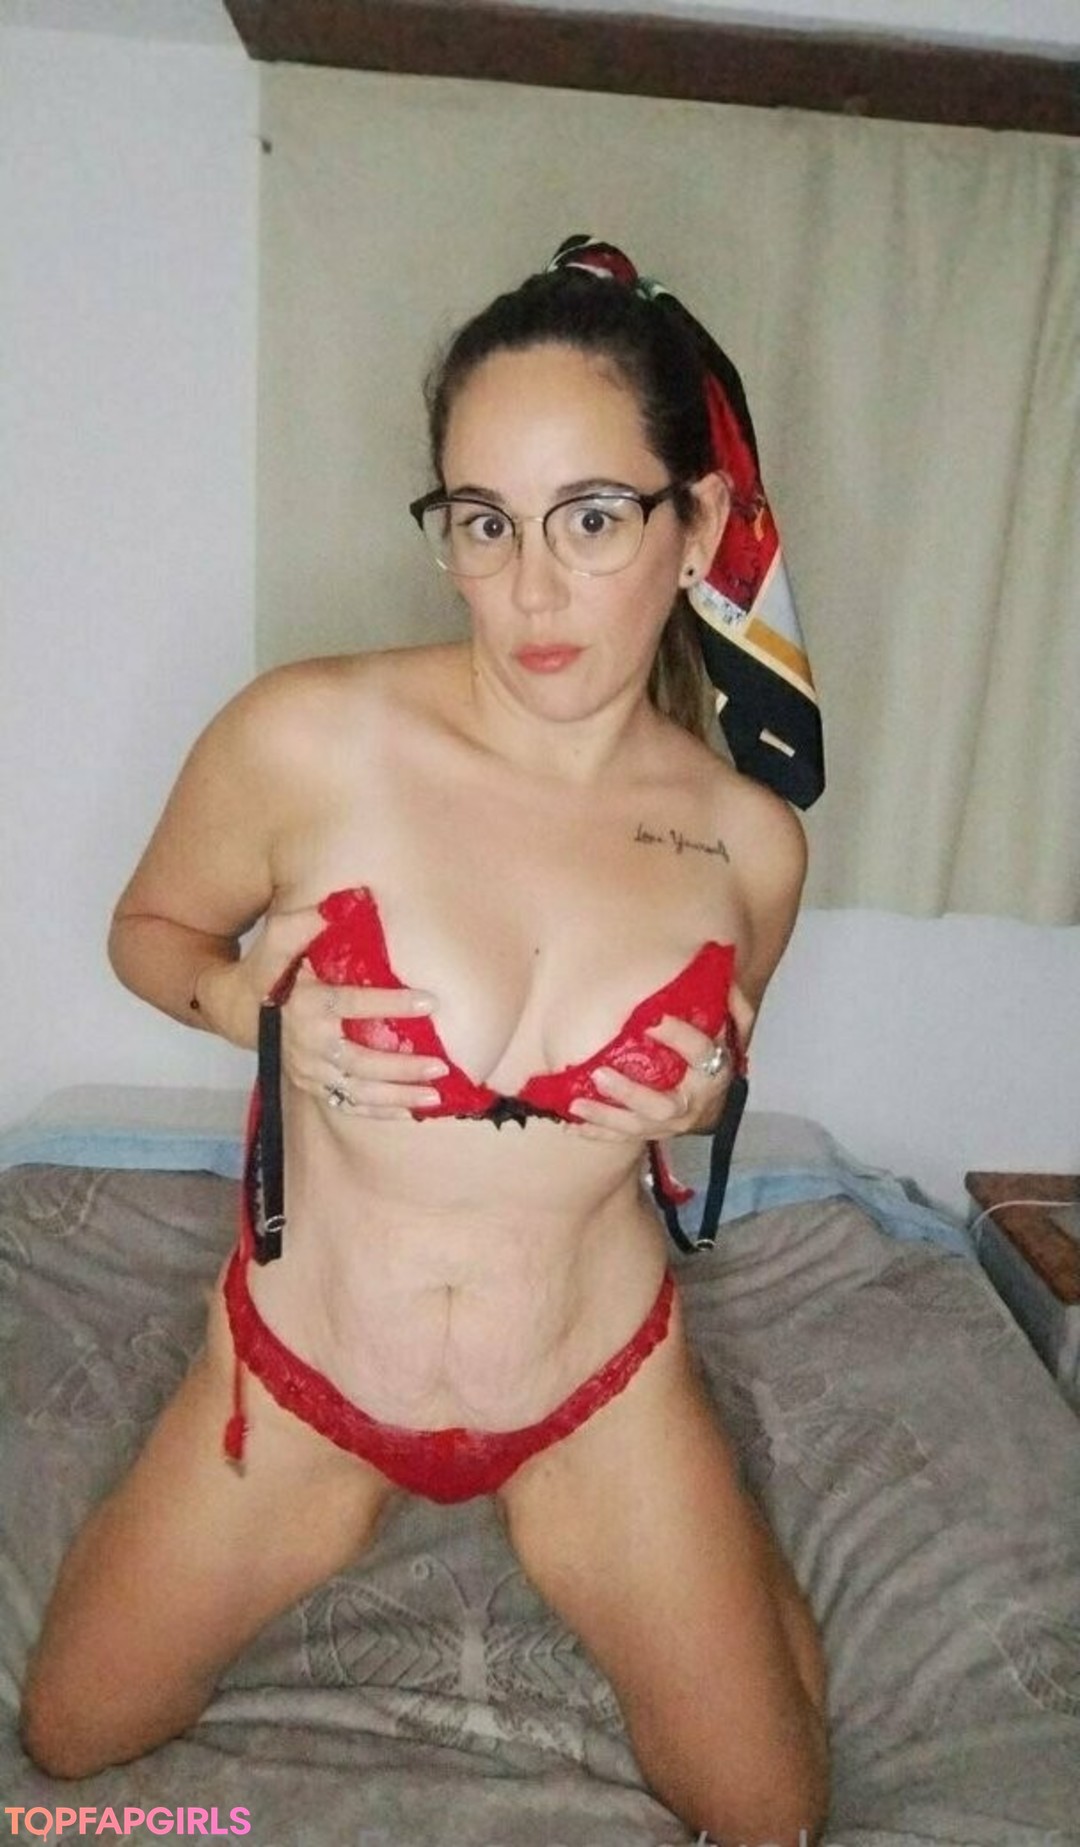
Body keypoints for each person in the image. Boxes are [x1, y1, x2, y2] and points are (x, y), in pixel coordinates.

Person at [20, 236, 828, 1846]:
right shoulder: (307, 735)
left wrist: (703, 1096)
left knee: (769, 1818)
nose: (529, 589)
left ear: (696, 527)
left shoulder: (751, 844)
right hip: (308, 1375)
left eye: (591, 519)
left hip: (594, 1385)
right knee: (71, 1740)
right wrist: (247, 1005)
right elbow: (152, 932)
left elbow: (707, 1089)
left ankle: (727, 1559)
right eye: (483, 520)